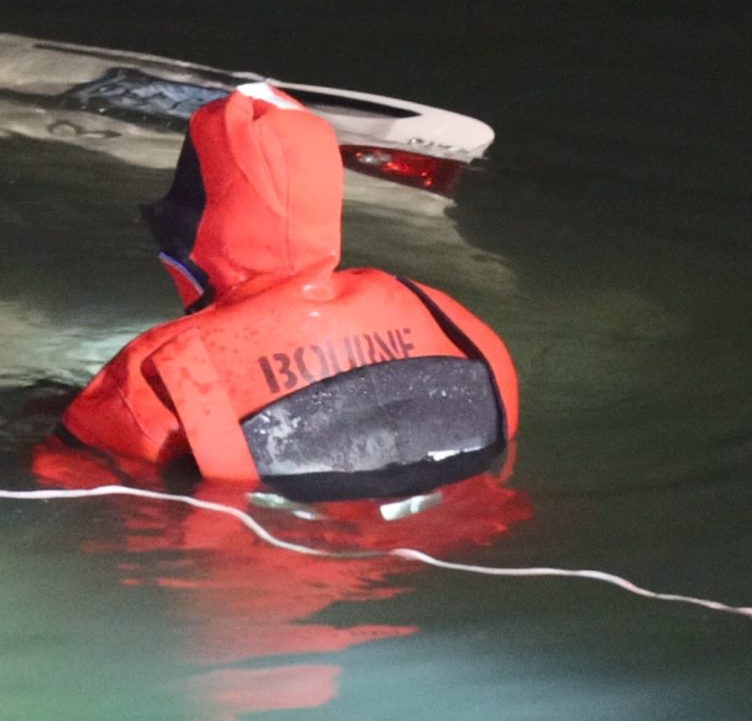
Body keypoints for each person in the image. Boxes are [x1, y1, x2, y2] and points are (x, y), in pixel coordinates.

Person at [53, 82, 520, 500]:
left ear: (198, 223)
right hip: (480, 529)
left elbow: (65, 479)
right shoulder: (446, 317)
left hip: (271, 562)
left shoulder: (158, 369)